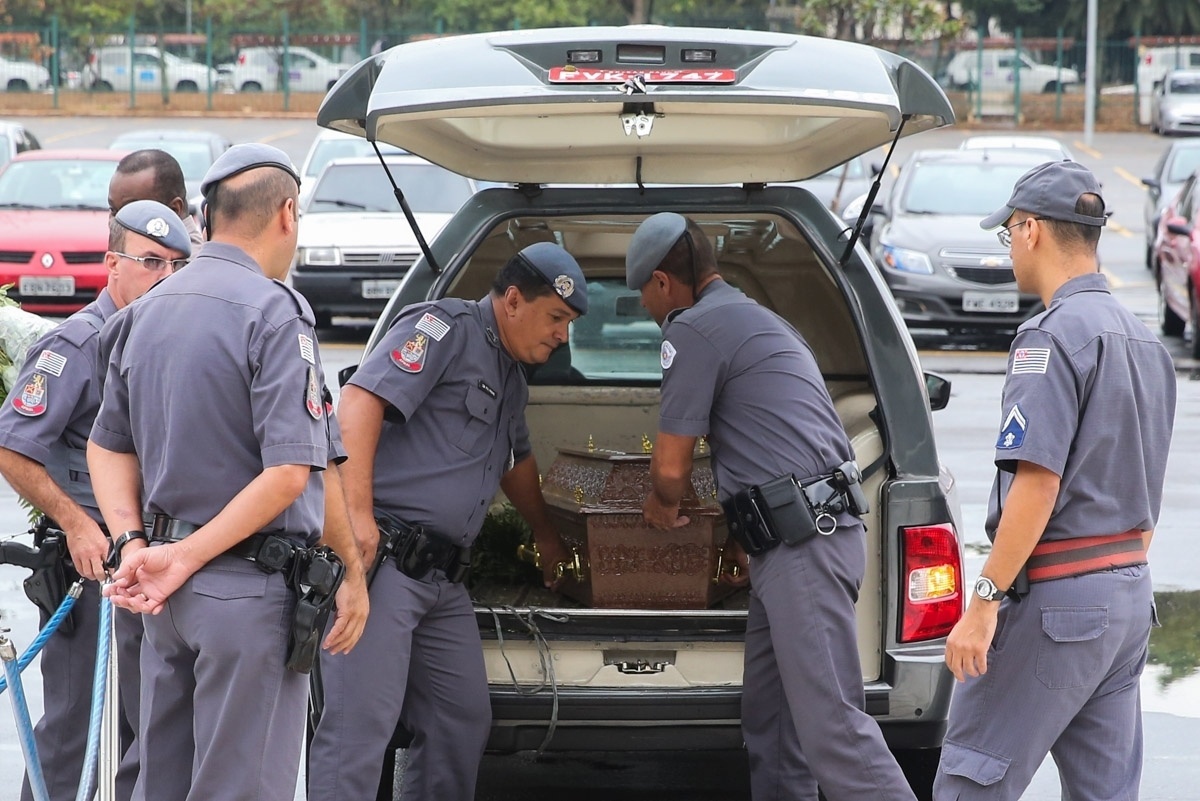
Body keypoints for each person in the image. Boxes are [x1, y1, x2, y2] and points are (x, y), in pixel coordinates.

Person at [87, 143, 368, 801]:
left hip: (165, 598)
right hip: (244, 593)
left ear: (207, 218)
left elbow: (107, 446)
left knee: (164, 780)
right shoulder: (275, 312)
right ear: (288, 214)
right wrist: (350, 571)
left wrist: (134, 542)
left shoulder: (147, 309)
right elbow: (292, 473)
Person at [625, 212, 916, 801]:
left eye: (644, 297)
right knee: (775, 725)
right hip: (799, 536)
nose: (649, 311)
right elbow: (771, 445)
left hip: (802, 545)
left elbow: (673, 468)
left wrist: (659, 508)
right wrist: (742, 535)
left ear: (661, 281)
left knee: (834, 732)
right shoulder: (758, 319)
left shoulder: (694, 329)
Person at [307, 241, 588, 801]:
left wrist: (547, 537)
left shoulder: (511, 375)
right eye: (556, 317)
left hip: (442, 583)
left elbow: (516, 463)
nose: (563, 335)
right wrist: (356, 520)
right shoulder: (443, 328)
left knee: (461, 722)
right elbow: (360, 400)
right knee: (357, 731)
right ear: (512, 299)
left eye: (569, 323)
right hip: (383, 565)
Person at [934, 161, 1176, 800]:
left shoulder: (1048, 339)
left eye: (1008, 230)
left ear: (1032, 230)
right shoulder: (1146, 344)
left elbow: (1036, 486)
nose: (1009, 244)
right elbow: (1145, 493)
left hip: (1059, 603)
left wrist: (983, 602)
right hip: (1127, 596)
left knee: (971, 780)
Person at [0, 200, 191, 801]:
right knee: (73, 732)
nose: (165, 277)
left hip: (149, 563)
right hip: (88, 571)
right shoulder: (79, 344)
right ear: (112, 263)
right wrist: (78, 526)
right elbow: (11, 447)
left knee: (143, 731)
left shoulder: (167, 341)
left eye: (177, 265)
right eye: (151, 262)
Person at [108, 148, 205, 249]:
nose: (116, 224)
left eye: (131, 213)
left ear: (174, 210)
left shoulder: (188, 262)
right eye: (113, 211)